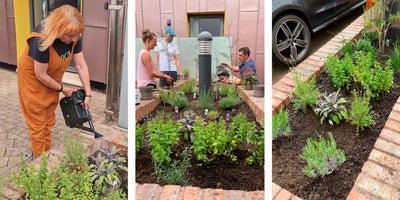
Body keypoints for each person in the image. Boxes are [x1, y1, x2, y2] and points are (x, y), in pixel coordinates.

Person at [17, 5, 92, 157]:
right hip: (33, 80)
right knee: (37, 123)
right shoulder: (40, 40)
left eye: (76, 35)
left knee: (49, 119)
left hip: (52, 78)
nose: (74, 40)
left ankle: (46, 153)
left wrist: (88, 94)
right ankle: (40, 163)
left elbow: (81, 65)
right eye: (69, 36)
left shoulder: (74, 35)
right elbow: (41, 75)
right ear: (58, 30)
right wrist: (62, 88)